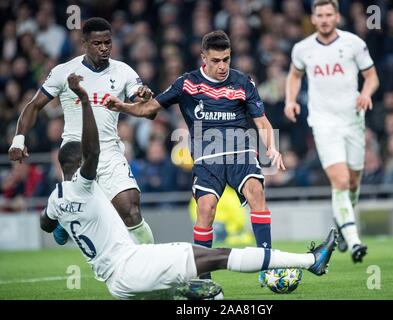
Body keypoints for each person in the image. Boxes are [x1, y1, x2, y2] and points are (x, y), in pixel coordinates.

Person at [39, 73, 338, 300]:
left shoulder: (57, 200)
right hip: (136, 265)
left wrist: (62, 225)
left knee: (203, 295)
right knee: (220, 255)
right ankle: (311, 261)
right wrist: (88, 99)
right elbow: (93, 152)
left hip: (117, 285)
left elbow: (48, 224)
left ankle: (200, 287)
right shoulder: (88, 184)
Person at [105, 30, 285, 282]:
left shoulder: (243, 82)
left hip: (240, 151)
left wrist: (271, 148)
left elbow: (262, 121)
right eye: (216, 61)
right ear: (203, 58)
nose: (222, 66)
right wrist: (122, 106)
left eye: (226, 59)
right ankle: (204, 277)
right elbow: (150, 108)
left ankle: (268, 265)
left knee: (256, 191)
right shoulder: (187, 83)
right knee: (206, 210)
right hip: (207, 158)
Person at [8, 17, 154, 245]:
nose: (104, 48)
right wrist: (19, 139)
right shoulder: (64, 72)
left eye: (108, 42)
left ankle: (151, 266)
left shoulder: (124, 71)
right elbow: (34, 105)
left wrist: (145, 98)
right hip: (76, 153)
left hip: (109, 151)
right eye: (97, 43)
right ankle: (61, 214)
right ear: (84, 42)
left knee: (131, 211)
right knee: (67, 217)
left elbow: (145, 107)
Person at [284, 0, 379, 263]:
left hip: (353, 121)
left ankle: (342, 223)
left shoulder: (354, 43)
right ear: (313, 19)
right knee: (339, 181)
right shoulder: (302, 49)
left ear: (337, 16)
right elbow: (294, 76)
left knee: (353, 183)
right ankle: (354, 241)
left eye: (329, 14)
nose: (324, 19)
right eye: (320, 15)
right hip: (324, 123)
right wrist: (290, 100)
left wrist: (366, 93)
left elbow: (372, 76)